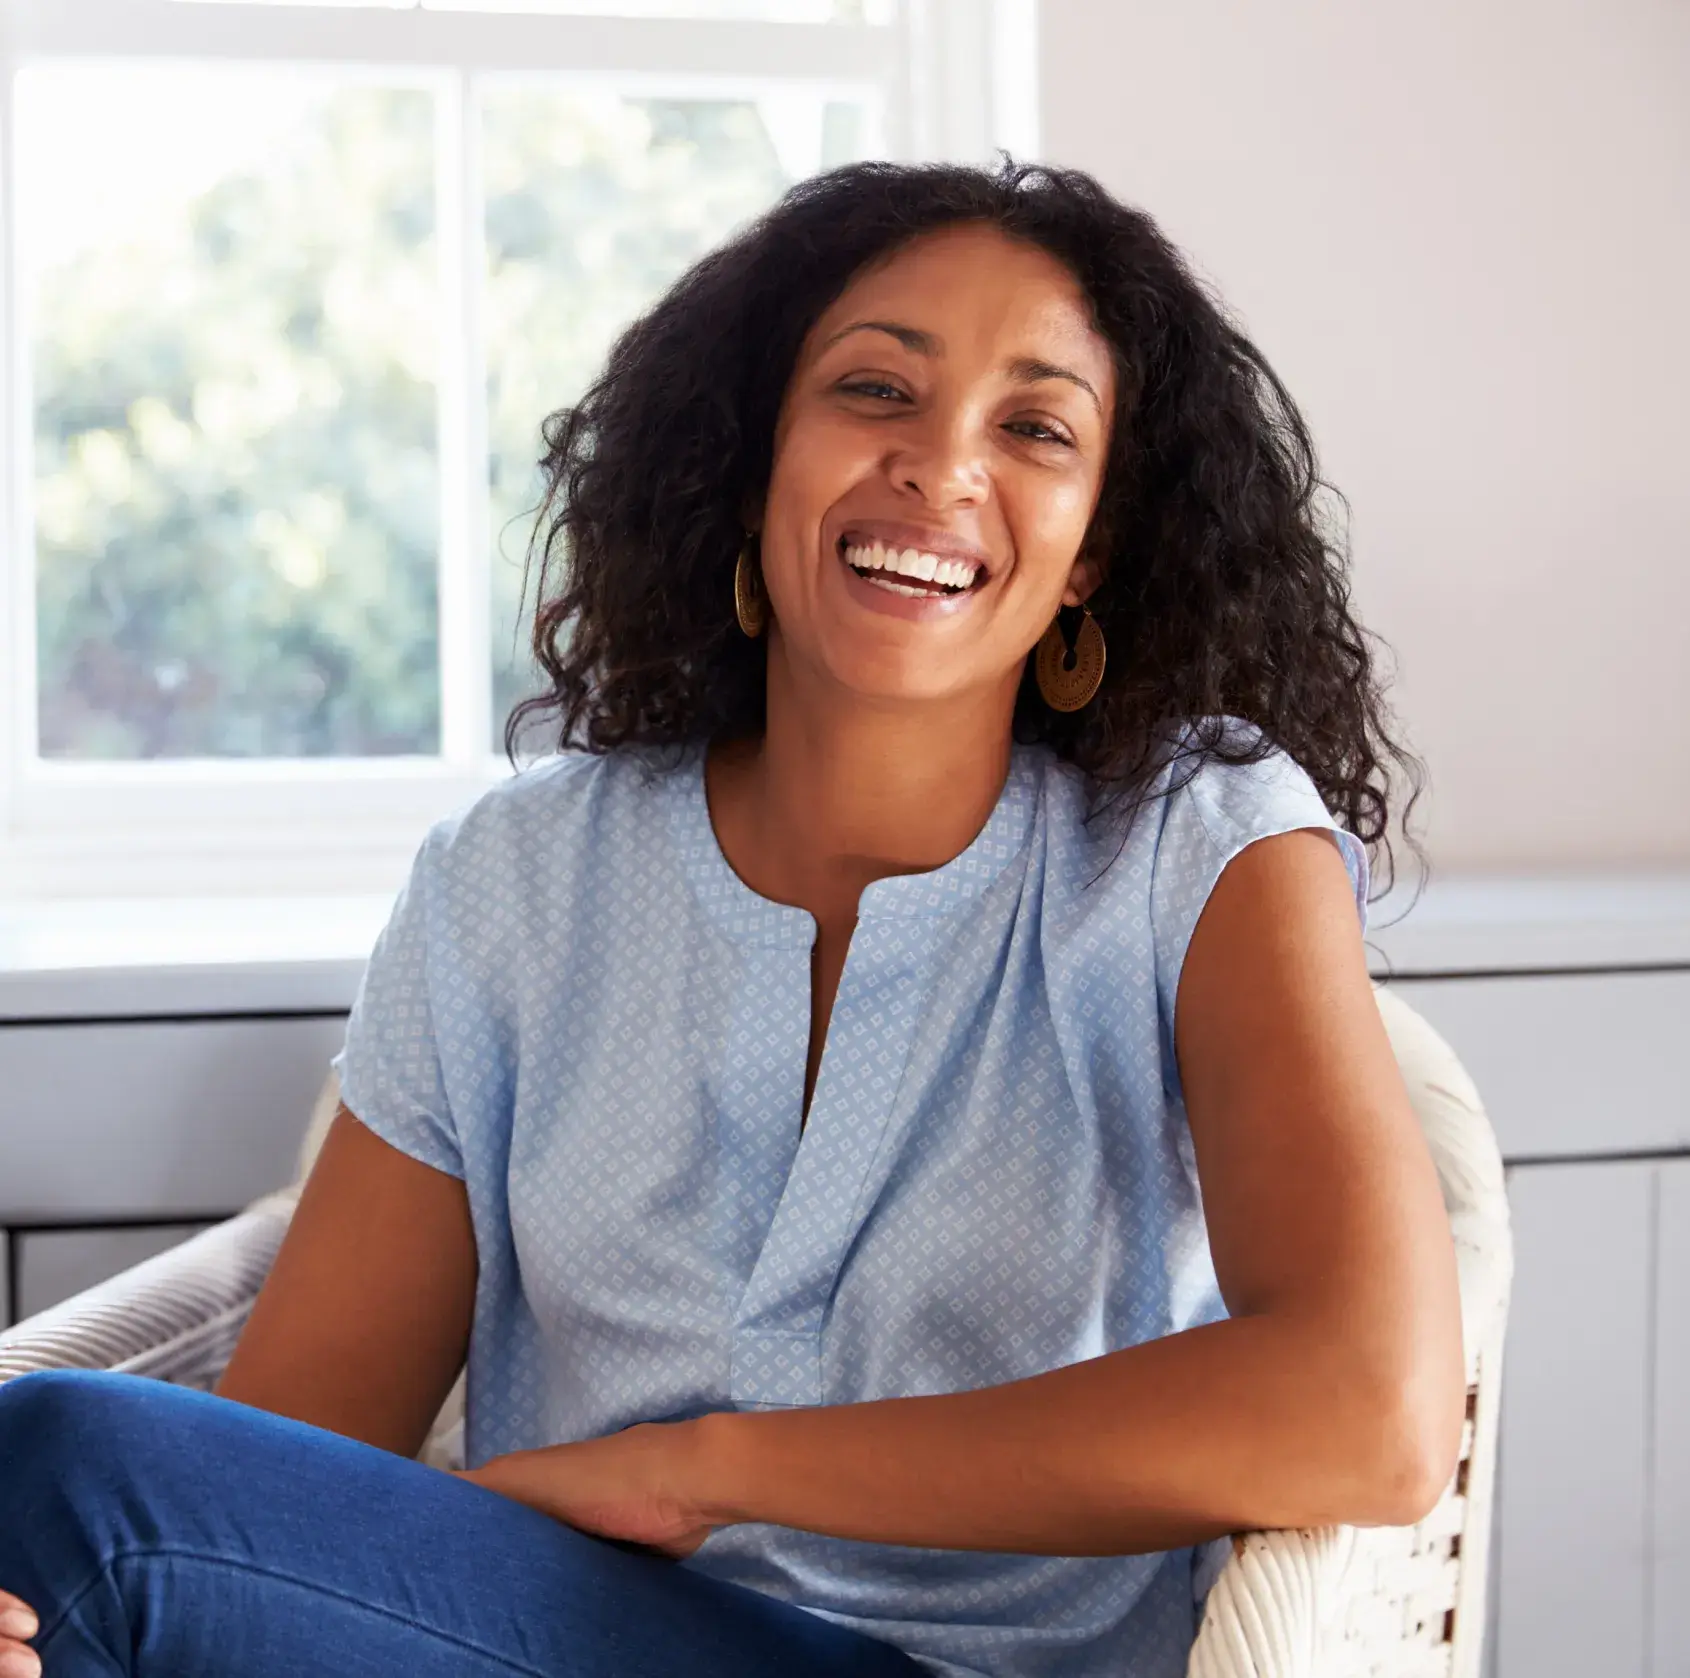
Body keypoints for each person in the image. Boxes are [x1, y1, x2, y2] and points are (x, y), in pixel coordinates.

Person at [0, 157, 1463, 1678]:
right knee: (59, 1533)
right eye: (873, 390)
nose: (940, 466)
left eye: (1033, 427)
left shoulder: (1197, 842)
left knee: (62, 1479)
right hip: (527, 1636)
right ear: (752, 453)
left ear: (1091, 542)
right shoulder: (514, 881)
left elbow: (1372, 1407)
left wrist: (708, 1465)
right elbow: (273, 1475)